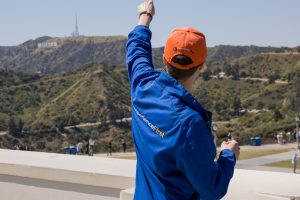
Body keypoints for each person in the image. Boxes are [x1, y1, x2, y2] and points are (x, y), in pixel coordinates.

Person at [125, 1, 240, 199]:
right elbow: (213, 187)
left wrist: (145, 15)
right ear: (201, 67)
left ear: (164, 59)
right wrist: (229, 155)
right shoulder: (189, 123)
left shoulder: (143, 86)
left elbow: (136, 48)